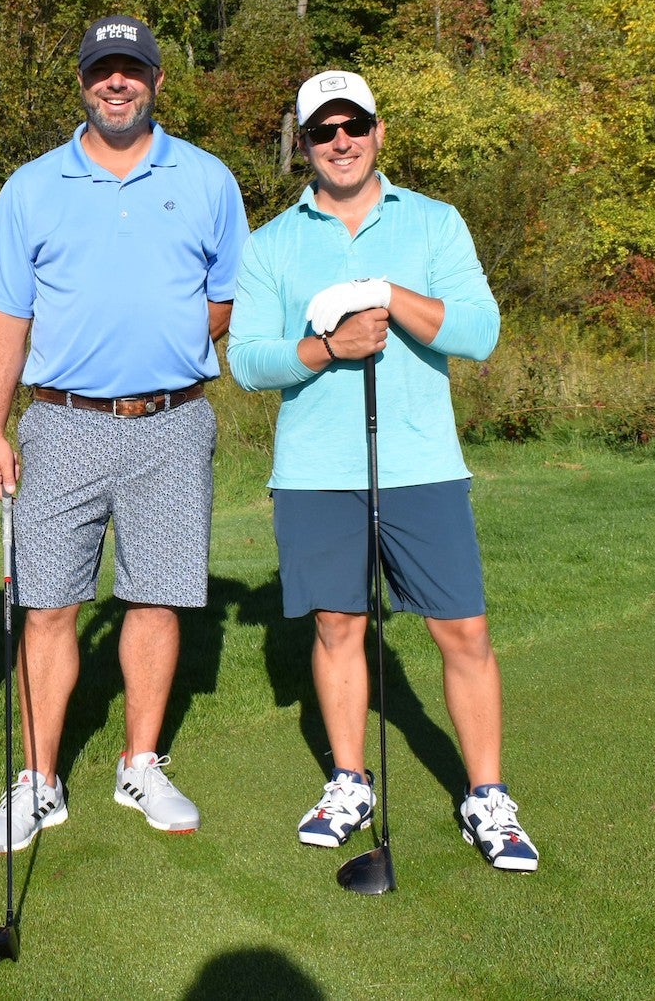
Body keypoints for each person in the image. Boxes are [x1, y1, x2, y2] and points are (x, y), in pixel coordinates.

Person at [227, 70, 539, 872]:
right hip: (316, 471)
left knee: (461, 628)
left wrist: (389, 295)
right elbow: (250, 361)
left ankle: (487, 796)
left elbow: (478, 331)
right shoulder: (270, 243)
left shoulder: (434, 224)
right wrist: (330, 346)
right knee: (339, 625)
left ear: (379, 131)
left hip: (421, 463)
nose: (341, 140)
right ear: (303, 144)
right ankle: (350, 781)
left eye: (354, 124)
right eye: (324, 130)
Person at [0, 15, 249, 853]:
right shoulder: (32, 186)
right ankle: (39, 780)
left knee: (156, 595)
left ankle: (140, 763)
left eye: (131, 70)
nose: (115, 84)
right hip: (61, 421)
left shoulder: (206, 178)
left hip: (171, 421)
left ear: (158, 80)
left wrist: (165, 347)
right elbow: (7, 315)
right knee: (49, 602)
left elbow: (225, 294)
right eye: (101, 72)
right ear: (83, 83)